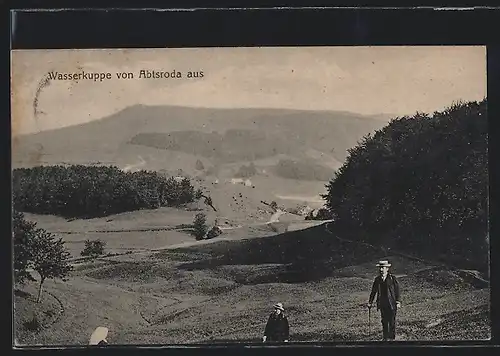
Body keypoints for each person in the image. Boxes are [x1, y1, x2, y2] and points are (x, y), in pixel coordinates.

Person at [367, 260, 401, 341]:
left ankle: (392, 338)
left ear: (387, 269)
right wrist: (370, 302)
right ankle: (385, 337)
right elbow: (373, 291)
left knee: (392, 320)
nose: (381, 270)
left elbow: (397, 291)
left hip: (392, 303)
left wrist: (398, 301)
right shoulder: (377, 279)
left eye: (383, 268)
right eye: (380, 268)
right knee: (384, 320)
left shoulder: (392, 278)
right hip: (382, 303)